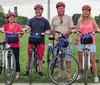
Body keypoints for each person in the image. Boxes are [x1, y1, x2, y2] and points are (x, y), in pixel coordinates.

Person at [22, 4, 51, 77]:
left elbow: (49, 30)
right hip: (32, 39)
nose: (38, 11)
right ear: (35, 11)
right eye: (36, 10)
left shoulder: (45, 21)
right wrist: (25, 29)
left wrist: (47, 33)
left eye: (39, 10)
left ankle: (40, 71)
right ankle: (27, 71)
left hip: (41, 40)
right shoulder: (31, 20)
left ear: (42, 11)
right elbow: (28, 27)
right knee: (29, 56)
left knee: (40, 57)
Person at [74, 5, 100, 82]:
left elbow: (97, 28)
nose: (85, 12)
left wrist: (98, 30)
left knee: (92, 60)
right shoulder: (80, 20)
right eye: (84, 11)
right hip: (81, 41)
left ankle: (95, 76)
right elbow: (77, 29)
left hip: (91, 41)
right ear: (82, 12)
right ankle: (78, 75)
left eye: (87, 11)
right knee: (80, 60)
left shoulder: (92, 20)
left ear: (89, 12)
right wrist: (76, 32)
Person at [51, 2, 74, 80]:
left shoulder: (68, 17)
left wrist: (62, 35)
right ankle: (59, 74)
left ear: (64, 9)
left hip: (67, 41)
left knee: (68, 59)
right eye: (59, 8)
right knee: (58, 59)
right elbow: (52, 29)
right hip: (57, 42)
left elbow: (71, 29)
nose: (60, 9)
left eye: (62, 8)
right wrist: (55, 35)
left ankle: (69, 75)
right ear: (57, 9)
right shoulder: (54, 18)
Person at [0, 12, 22, 78]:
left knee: (16, 59)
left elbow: (20, 33)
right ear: (8, 19)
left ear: (14, 18)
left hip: (16, 45)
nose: (11, 18)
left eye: (12, 17)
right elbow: (2, 29)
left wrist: (20, 34)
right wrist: (2, 29)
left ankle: (17, 73)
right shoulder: (5, 25)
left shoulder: (18, 26)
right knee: (8, 58)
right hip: (8, 45)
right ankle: (9, 71)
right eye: (10, 18)